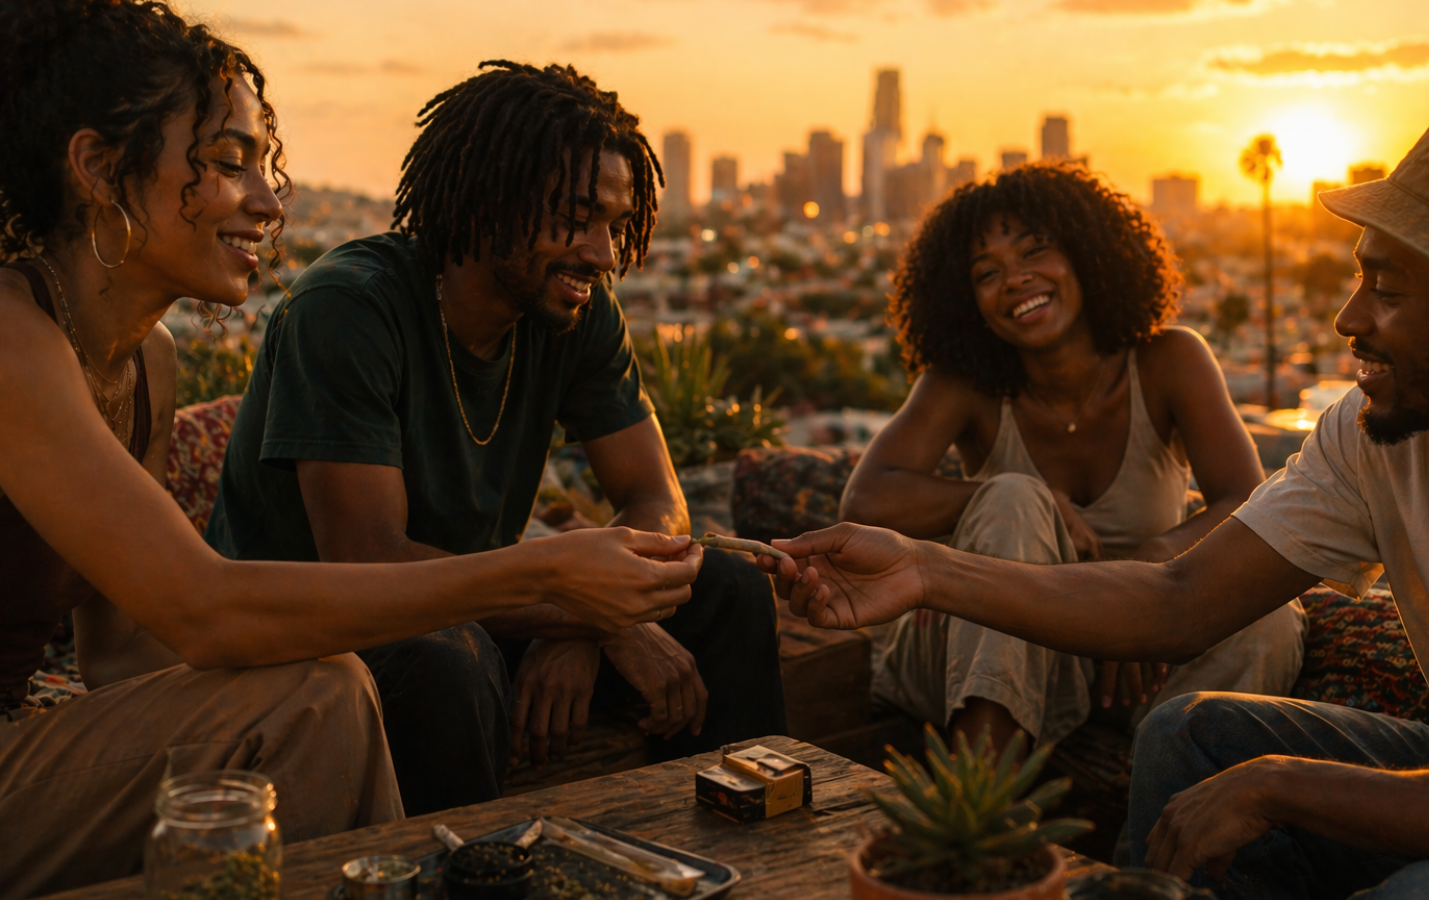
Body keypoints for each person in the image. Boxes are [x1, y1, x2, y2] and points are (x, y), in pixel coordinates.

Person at [762, 104, 1429, 898]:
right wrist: (924, 568)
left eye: (1386, 287)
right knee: (1190, 734)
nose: (1349, 318)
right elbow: (1182, 598)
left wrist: (1281, 786)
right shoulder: (1382, 435)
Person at [0, 4, 696, 895]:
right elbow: (203, 609)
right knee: (318, 695)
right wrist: (547, 579)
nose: (267, 201)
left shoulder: (149, 364)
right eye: (224, 163)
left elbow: (129, 653)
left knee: (323, 687)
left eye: (265, 166)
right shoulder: (12, 339)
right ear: (97, 168)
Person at [206, 61, 786, 816]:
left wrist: (586, 624)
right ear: (490, 200)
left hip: (486, 608)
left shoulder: (574, 313)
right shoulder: (348, 309)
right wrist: (597, 613)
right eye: (578, 218)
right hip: (321, 635)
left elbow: (655, 496)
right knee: (449, 657)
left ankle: (734, 848)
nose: (604, 254)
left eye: (614, 223)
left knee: (730, 592)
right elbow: (370, 565)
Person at [841, 161, 1302, 754]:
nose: (1015, 279)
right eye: (987, 272)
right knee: (1012, 495)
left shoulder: (1170, 361)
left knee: (1269, 615)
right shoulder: (966, 383)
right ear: (966, 301)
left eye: (1036, 251)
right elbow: (866, 497)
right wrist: (1020, 501)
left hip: (1132, 653)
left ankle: (1166, 820)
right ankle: (978, 808)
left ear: (1088, 252)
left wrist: (1149, 570)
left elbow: (1245, 500)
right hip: (978, 649)